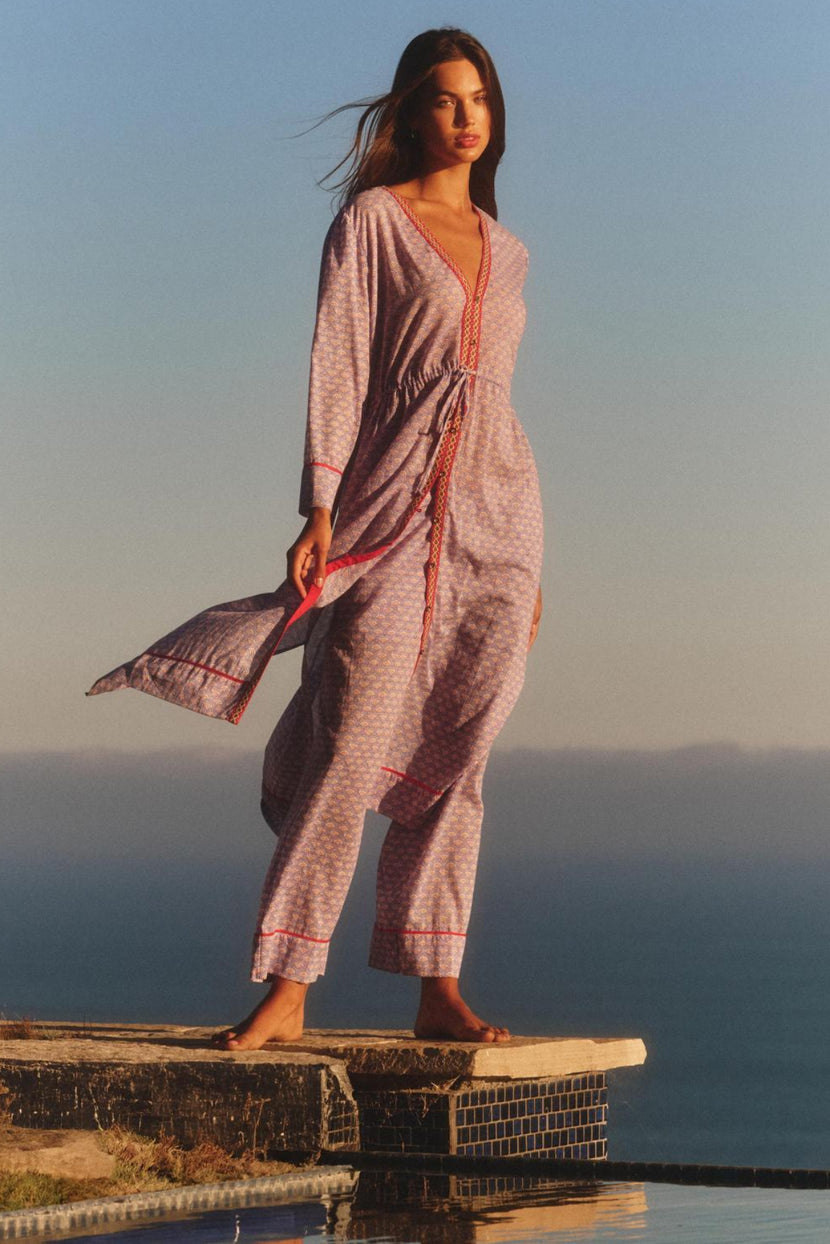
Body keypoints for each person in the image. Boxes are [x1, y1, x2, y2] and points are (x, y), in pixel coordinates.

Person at [87, 27, 544, 1048]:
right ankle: (289, 987)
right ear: (410, 112)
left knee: (464, 751)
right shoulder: (373, 222)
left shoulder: (510, 252)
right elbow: (338, 364)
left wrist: (528, 569)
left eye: (479, 98)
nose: (465, 116)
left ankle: (436, 986)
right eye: (444, 98)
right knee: (349, 744)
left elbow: (496, 401)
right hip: (386, 514)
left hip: (501, 525)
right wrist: (320, 506)